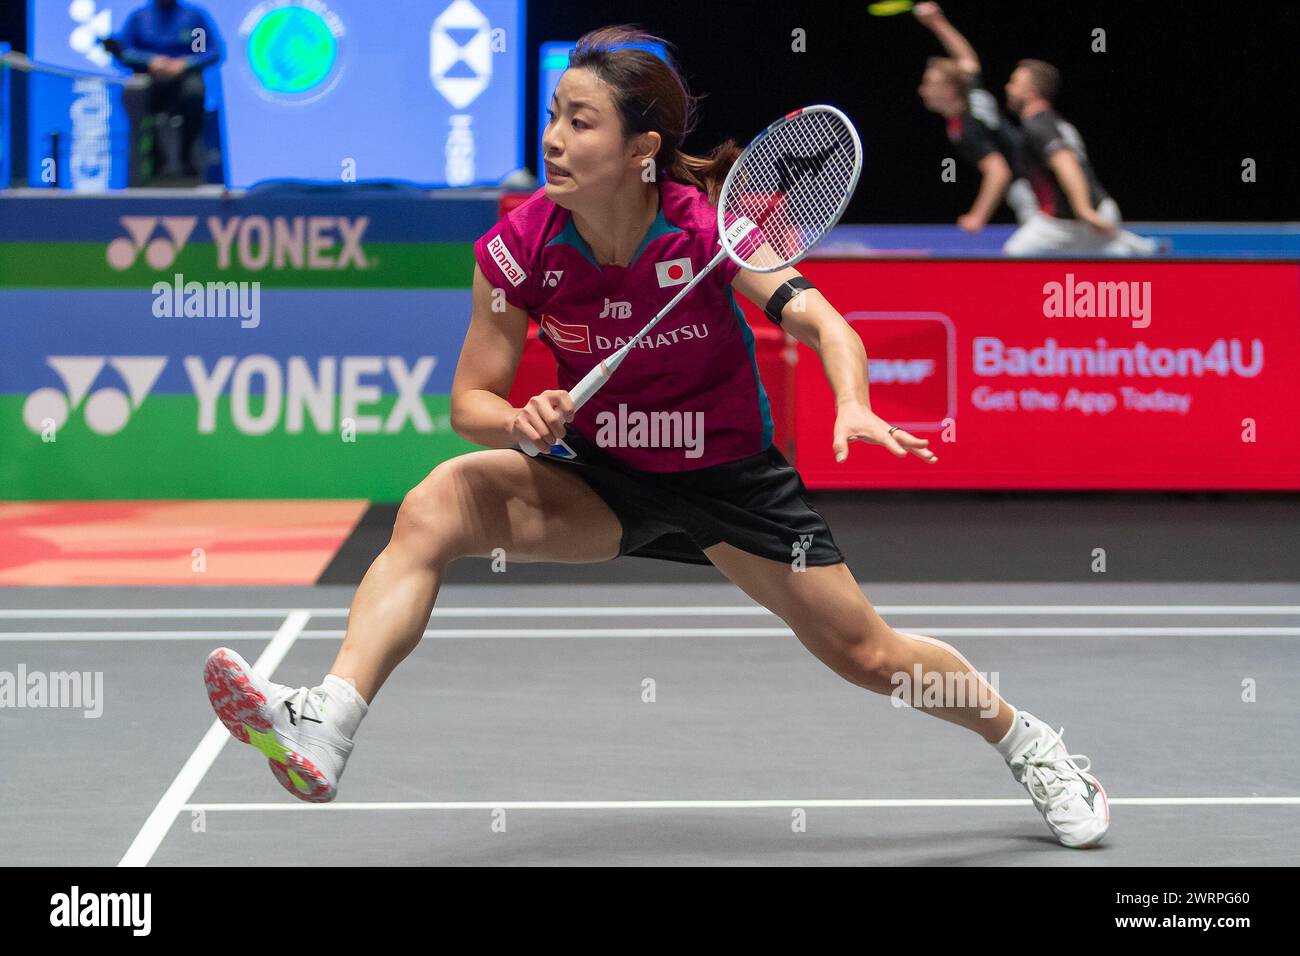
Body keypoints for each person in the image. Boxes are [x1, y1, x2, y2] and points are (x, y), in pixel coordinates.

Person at [204, 26, 1109, 850]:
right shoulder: (519, 248)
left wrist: (855, 404)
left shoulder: (714, 231)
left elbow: (826, 325)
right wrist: (518, 418)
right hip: (602, 479)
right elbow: (469, 401)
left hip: (730, 483)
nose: (554, 137)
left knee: (869, 657)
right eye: (555, 116)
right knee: (438, 501)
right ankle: (329, 718)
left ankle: (1029, 742)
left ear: (642, 148)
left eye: (582, 122)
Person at [1002, 59, 1158, 256]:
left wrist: (1083, 209)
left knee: (1014, 255)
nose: (1008, 87)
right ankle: (1127, 248)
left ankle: (1127, 250)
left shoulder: (1038, 126)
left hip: (1070, 221)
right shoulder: (1056, 123)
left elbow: (1066, 163)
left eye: (1014, 82)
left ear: (1031, 91)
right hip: (1098, 210)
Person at [912, 2, 1037, 232]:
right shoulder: (972, 91)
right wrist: (936, 22)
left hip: (1032, 190)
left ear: (949, 90)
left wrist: (976, 218)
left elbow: (998, 172)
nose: (922, 90)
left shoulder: (967, 129)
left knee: (1033, 256)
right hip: (1039, 175)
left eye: (929, 84)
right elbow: (966, 57)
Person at [105, 0, 224, 177]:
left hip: (185, 76)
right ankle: (148, 160)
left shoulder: (193, 17)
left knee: (194, 92)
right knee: (134, 93)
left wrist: (185, 64)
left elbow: (211, 52)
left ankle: (187, 156)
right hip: (149, 76)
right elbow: (126, 52)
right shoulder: (140, 18)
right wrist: (150, 62)